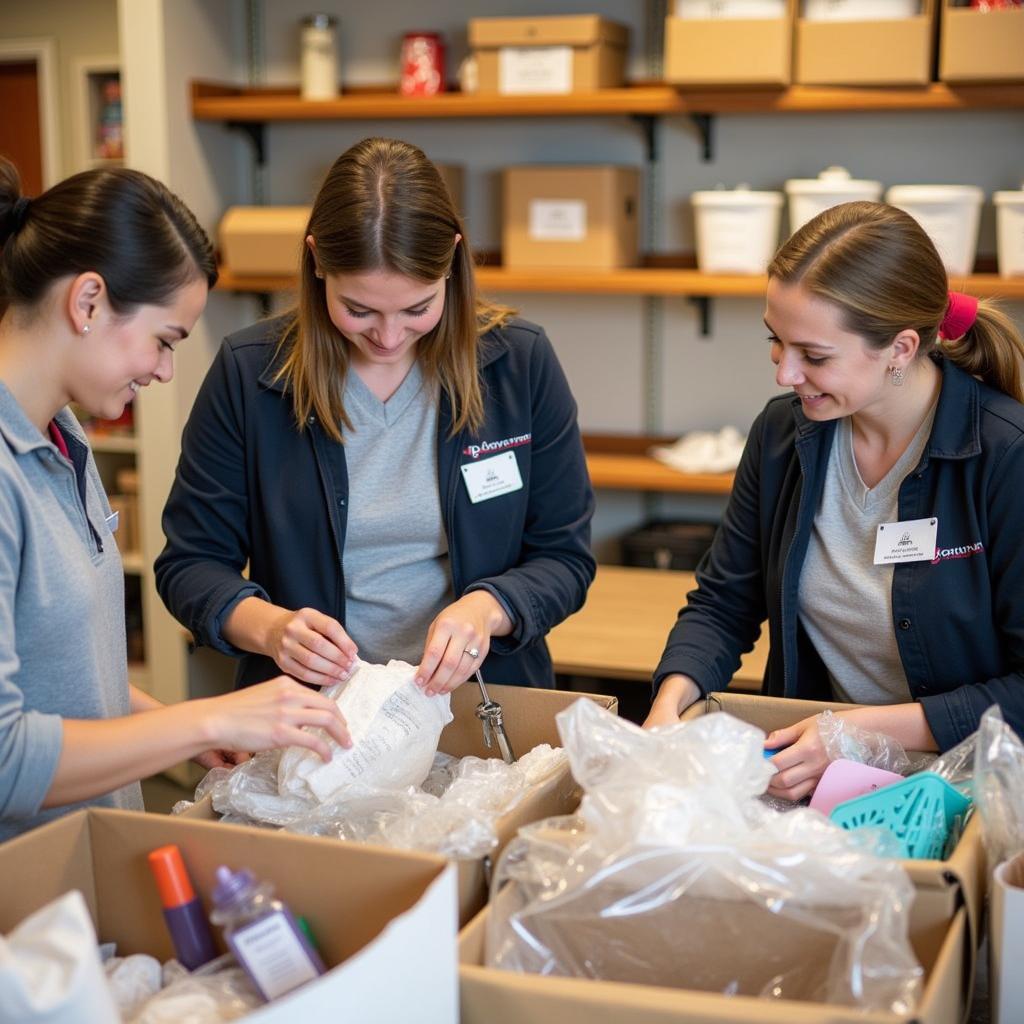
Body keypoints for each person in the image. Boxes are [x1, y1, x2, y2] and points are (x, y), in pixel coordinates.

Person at [155, 137, 595, 698]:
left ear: (452, 264)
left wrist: (489, 609)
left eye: (418, 309)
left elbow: (564, 557)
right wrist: (271, 630)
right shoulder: (251, 375)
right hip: (312, 715)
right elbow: (190, 564)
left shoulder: (518, 363)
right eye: (358, 310)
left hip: (481, 702)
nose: (388, 337)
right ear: (317, 260)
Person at [0, 159, 351, 843]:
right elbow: (8, 760)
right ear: (88, 301)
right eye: (164, 341)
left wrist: (168, 729)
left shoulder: (62, 435)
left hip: (79, 862)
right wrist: (208, 719)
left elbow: (68, 672)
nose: (164, 371)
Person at [645, 200, 1024, 802]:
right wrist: (665, 712)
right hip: (810, 783)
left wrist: (858, 732)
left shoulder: (1004, 456)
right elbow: (723, 604)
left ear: (900, 349)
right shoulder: (783, 436)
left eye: (815, 357)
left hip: (960, 789)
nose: (785, 374)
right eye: (777, 342)